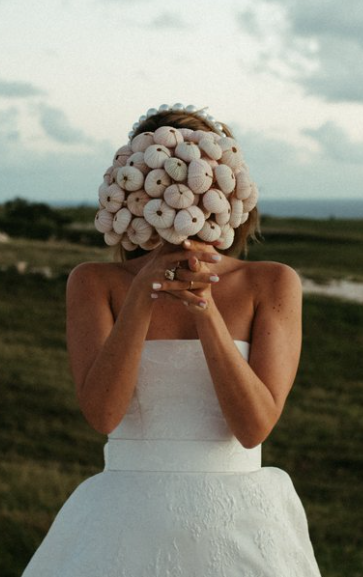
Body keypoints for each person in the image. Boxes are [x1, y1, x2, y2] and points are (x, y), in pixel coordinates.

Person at [20, 104, 321, 576]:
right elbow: (103, 415)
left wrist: (205, 310)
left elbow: (254, 428)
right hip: (123, 524)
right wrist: (141, 296)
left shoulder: (272, 283)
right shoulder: (95, 282)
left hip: (239, 526)